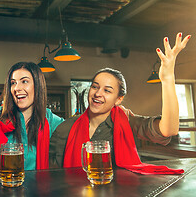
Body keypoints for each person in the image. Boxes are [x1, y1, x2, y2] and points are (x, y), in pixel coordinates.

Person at [49, 32, 191, 171]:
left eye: (107, 90)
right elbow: (51, 174)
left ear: (119, 99)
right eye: (95, 87)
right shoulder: (65, 129)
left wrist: (167, 79)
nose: (98, 93)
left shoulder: (128, 122)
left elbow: (169, 129)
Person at [0, 62, 64, 172]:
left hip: (35, 187)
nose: (17, 88)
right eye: (13, 83)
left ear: (38, 86)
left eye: (24, 81)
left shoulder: (52, 121)